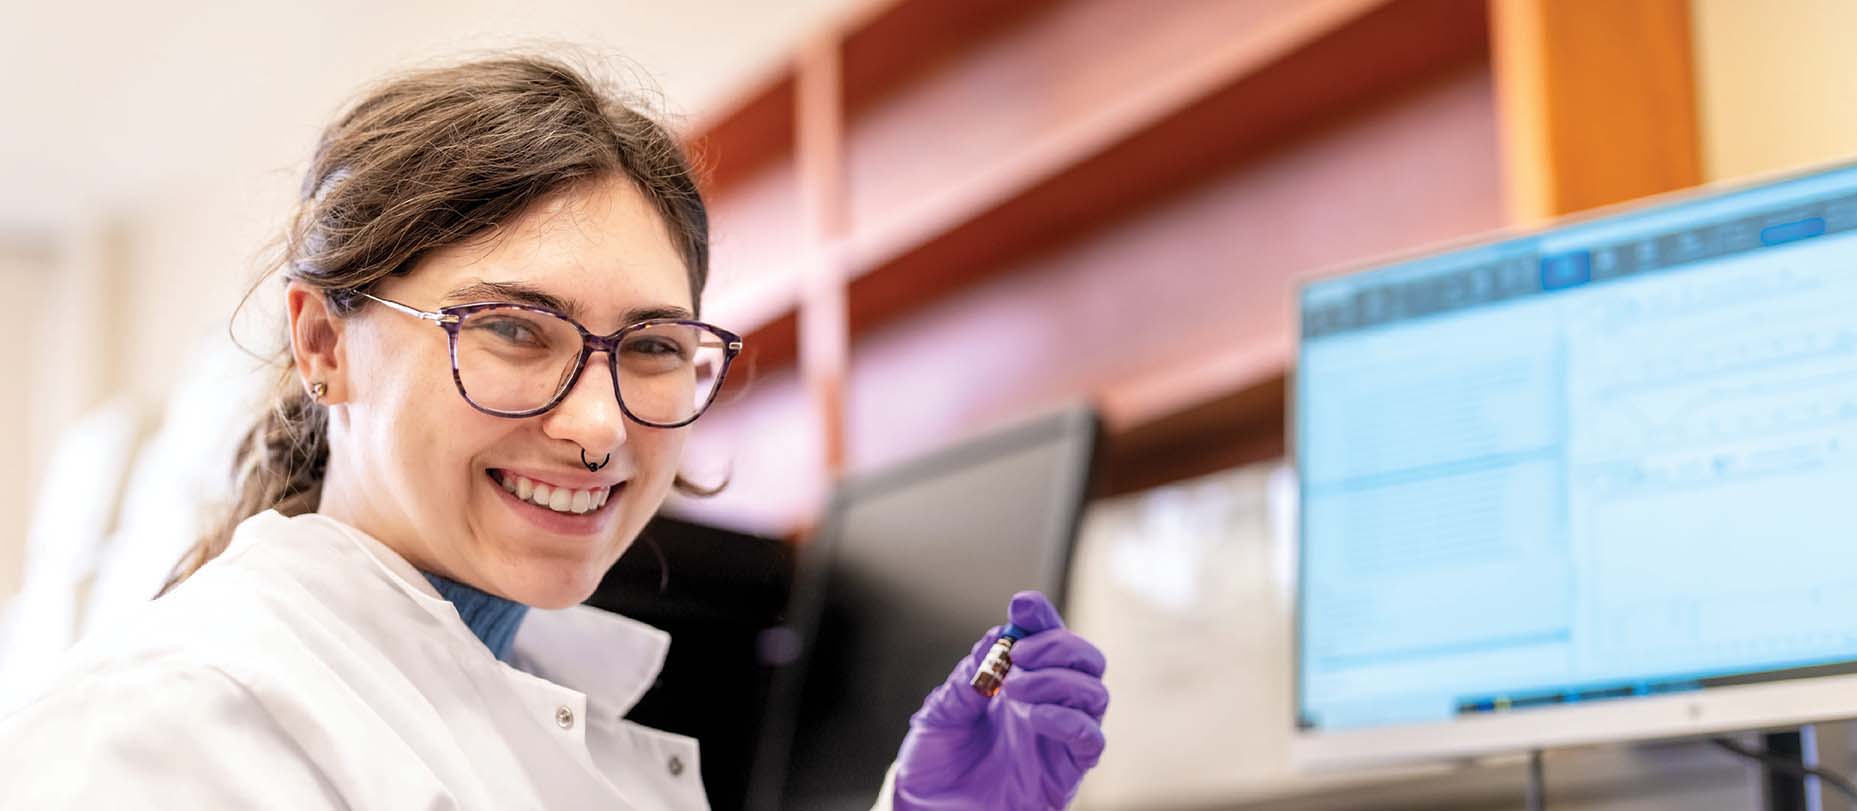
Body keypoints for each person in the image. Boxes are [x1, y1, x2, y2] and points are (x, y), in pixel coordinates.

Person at [0, 56, 1107, 809]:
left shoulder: (528, 702)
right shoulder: (168, 733)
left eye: (655, 347)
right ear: (324, 344)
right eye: (516, 331)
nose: (597, 424)